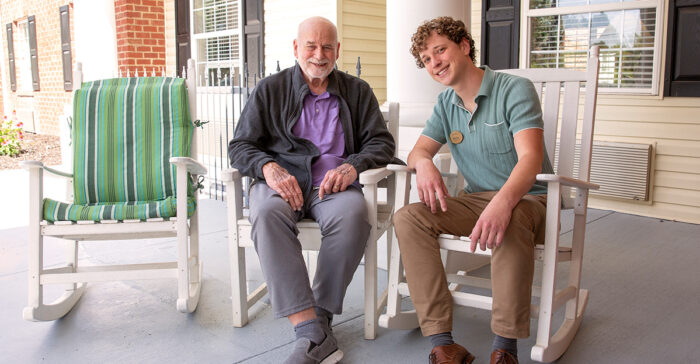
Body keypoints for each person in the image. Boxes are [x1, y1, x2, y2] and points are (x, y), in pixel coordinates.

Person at [228, 16, 396, 364]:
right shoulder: (270, 89)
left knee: (353, 215)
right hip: (282, 184)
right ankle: (311, 330)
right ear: (295, 48)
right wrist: (268, 168)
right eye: (311, 46)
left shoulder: (357, 90)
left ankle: (317, 317)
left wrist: (352, 166)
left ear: (337, 50)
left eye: (327, 47)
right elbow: (240, 145)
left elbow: (381, 142)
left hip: (331, 186)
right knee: (266, 211)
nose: (319, 55)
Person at [393, 16, 554, 364]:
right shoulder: (445, 104)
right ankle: (442, 343)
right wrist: (424, 164)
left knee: (508, 218)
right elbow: (417, 151)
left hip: (529, 199)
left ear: (464, 46)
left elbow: (530, 160)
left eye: (440, 50)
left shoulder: (514, 89)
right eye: (426, 59)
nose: (434, 62)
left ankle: (505, 349)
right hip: (476, 200)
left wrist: (503, 202)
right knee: (409, 218)